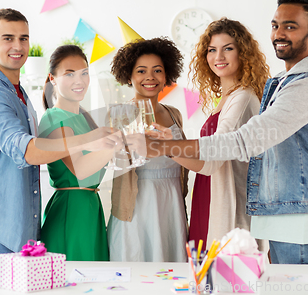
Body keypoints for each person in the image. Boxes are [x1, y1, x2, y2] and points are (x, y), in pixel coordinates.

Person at [140, 0, 308, 264]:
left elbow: (244, 141)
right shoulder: (284, 83)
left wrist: (163, 146)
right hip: (283, 215)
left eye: (290, 26)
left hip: (297, 215)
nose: (279, 33)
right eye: (275, 25)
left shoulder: (305, 86)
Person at [0, 9, 119, 260]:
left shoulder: (19, 94)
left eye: (23, 38)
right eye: (8, 38)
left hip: (20, 231)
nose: (17, 45)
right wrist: (95, 138)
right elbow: (29, 151)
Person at [173, 18, 269, 251]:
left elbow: (210, 160)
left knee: (224, 277)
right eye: (212, 50)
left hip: (227, 203)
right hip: (209, 195)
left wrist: (167, 148)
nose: (219, 57)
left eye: (228, 49)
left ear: (243, 53)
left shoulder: (243, 97)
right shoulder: (227, 98)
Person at [107, 37, 189, 262]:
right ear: (129, 76)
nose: (150, 77)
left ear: (166, 76)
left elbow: (184, 159)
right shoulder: (119, 114)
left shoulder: (174, 114)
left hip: (171, 205)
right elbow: (111, 163)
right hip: (137, 206)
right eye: (141, 71)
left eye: (157, 70)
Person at [38, 45, 115, 261]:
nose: (79, 81)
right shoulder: (55, 117)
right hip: (71, 211)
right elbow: (80, 169)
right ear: (52, 78)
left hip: (90, 208)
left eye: (84, 73)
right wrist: (117, 144)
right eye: (69, 74)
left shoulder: (85, 118)